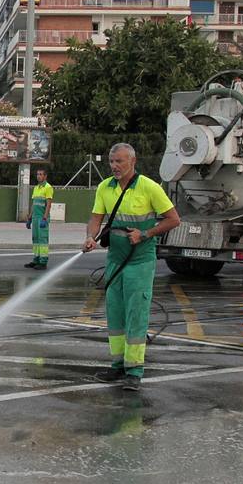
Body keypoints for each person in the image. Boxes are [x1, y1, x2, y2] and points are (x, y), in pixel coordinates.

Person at [81, 143, 181, 391]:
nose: (114, 166)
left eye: (119, 161)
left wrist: (145, 233)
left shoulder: (149, 187)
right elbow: (96, 218)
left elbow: (173, 219)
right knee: (115, 313)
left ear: (132, 162)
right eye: (112, 161)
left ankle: (134, 371)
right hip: (115, 259)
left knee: (136, 313)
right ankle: (117, 366)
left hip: (140, 261)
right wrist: (90, 236)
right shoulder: (105, 187)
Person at [25, 167, 54, 271]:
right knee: (36, 239)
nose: (39, 176)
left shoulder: (48, 187)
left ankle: (43, 262)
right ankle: (36, 259)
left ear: (45, 176)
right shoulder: (36, 188)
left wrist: (45, 218)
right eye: (38, 174)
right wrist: (29, 218)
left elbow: (48, 205)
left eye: (41, 174)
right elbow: (34, 204)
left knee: (43, 241)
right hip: (35, 218)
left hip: (42, 218)